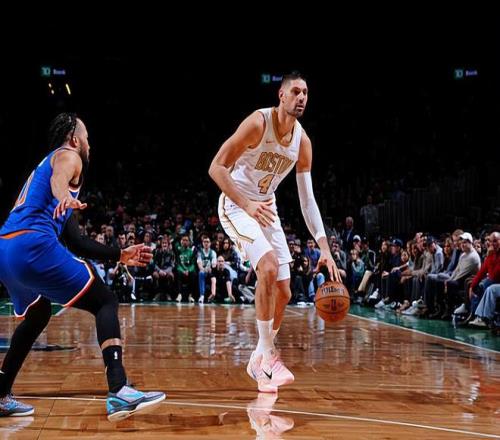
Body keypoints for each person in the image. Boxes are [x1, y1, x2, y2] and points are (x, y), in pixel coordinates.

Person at [0, 113, 165, 421]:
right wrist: (64, 195)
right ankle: (119, 389)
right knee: (105, 301)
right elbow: (59, 179)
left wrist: (120, 254)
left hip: (6, 249)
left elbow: (76, 242)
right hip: (32, 244)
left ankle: (0, 393)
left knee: (38, 314)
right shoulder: (68, 156)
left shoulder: (43, 172)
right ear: (75, 139)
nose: (90, 143)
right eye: (87, 137)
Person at [209, 72, 340, 393]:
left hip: (266, 207)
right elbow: (216, 167)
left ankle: (258, 358)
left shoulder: (302, 143)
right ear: (281, 95)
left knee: (284, 291)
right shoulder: (258, 123)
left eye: (305, 92)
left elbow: (307, 200)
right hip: (236, 204)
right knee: (267, 267)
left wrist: (324, 246)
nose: (302, 97)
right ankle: (269, 356)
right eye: (295, 91)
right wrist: (247, 204)